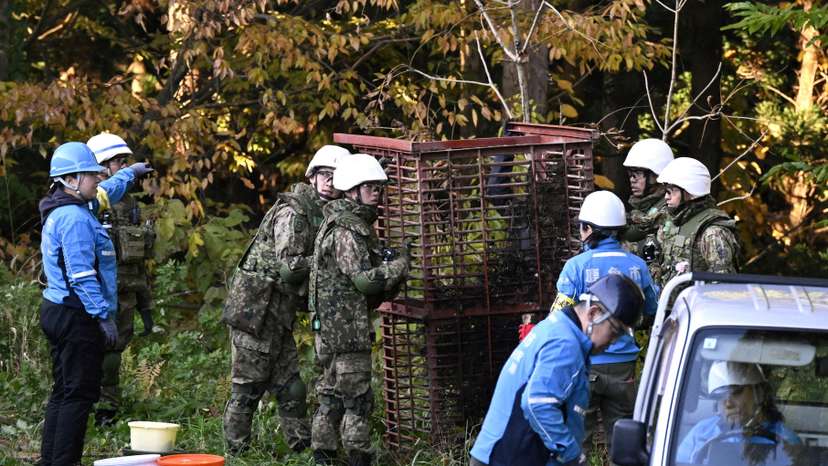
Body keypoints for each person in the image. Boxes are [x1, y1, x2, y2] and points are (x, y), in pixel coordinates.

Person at [222, 144, 350, 454]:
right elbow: (290, 268)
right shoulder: (295, 211)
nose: (331, 182)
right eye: (325, 175)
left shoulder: (327, 211)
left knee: (291, 386)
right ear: (312, 177)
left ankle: (300, 448)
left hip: (278, 312)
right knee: (247, 387)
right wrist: (328, 259)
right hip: (257, 308)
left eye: (337, 176)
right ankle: (236, 452)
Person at [38, 142, 152, 466]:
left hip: (60, 309)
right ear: (71, 179)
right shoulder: (74, 219)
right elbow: (82, 275)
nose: (98, 179)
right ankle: (63, 461)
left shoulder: (70, 206)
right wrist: (103, 316)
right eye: (91, 175)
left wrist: (128, 173)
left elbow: (107, 191)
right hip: (76, 315)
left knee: (64, 391)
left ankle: (51, 460)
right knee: (79, 394)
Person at [469, 274, 646, 466]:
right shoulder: (566, 344)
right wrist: (573, 456)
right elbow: (538, 403)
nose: (613, 342)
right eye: (615, 331)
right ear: (594, 313)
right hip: (509, 456)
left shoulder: (558, 327)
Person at [309, 153, 410, 466]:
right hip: (345, 330)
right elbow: (364, 282)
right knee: (356, 399)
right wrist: (398, 267)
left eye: (379, 188)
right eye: (370, 188)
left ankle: (324, 455)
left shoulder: (341, 221)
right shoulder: (347, 230)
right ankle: (358, 457)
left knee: (332, 393)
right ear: (352, 190)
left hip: (330, 327)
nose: (376, 193)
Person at [548, 190, 658, 458]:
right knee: (624, 443)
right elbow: (652, 309)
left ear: (588, 229)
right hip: (624, 369)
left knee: (578, 439)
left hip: (585, 365)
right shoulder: (638, 266)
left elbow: (558, 316)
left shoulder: (576, 266)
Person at [86, 132, 156, 425]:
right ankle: (84, 405)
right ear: (101, 165)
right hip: (94, 294)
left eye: (125, 162)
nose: (124, 167)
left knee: (113, 355)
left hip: (126, 292)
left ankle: (107, 410)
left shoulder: (129, 205)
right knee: (91, 354)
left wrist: (146, 305)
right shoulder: (90, 200)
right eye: (118, 162)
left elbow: (137, 260)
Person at [676, 361, 801, 464]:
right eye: (720, 397)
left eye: (735, 392)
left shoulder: (784, 438)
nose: (728, 403)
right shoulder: (701, 432)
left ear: (758, 393)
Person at [655, 157, 739, 287]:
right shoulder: (673, 221)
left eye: (671, 191)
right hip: (669, 304)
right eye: (666, 191)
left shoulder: (713, 233)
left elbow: (722, 286)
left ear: (690, 192)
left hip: (695, 305)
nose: (666, 196)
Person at [621, 138, 674, 269]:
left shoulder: (667, 208)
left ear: (655, 176)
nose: (632, 180)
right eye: (630, 174)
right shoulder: (646, 206)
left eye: (638, 174)